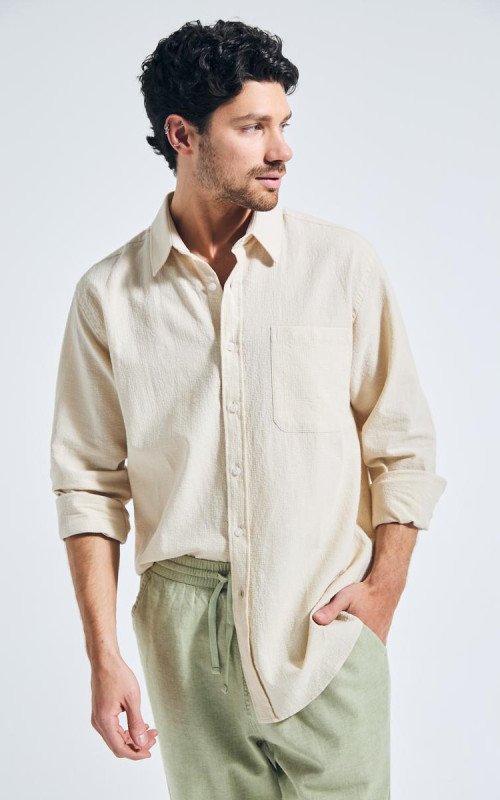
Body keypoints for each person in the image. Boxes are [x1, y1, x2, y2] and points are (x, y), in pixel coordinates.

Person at [49, 18, 447, 799]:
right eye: (252, 127)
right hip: (183, 638)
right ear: (183, 135)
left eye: (283, 124)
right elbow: (88, 485)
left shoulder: (341, 265)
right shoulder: (109, 296)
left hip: (322, 626)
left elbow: (402, 445)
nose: (281, 150)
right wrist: (104, 656)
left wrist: (383, 592)